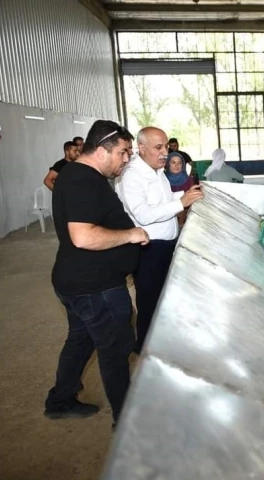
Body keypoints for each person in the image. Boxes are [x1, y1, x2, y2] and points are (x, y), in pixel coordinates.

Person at [45, 120, 149, 426]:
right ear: (103, 150)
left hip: (79, 282)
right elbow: (83, 236)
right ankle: (126, 421)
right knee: (115, 349)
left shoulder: (79, 175)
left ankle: (60, 400)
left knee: (81, 341)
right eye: (124, 152)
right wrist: (131, 235)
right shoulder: (82, 180)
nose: (127, 159)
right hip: (94, 287)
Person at [116, 127, 204, 354]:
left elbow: (162, 200)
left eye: (166, 146)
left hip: (166, 245)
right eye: (158, 147)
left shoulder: (156, 171)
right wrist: (181, 202)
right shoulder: (132, 176)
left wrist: (186, 195)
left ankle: (162, 344)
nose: (165, 152)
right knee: (149, 301)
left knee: (165, 298)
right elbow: (143, 214)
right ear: (141, 148)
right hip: (149, 250)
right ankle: (145, 349)